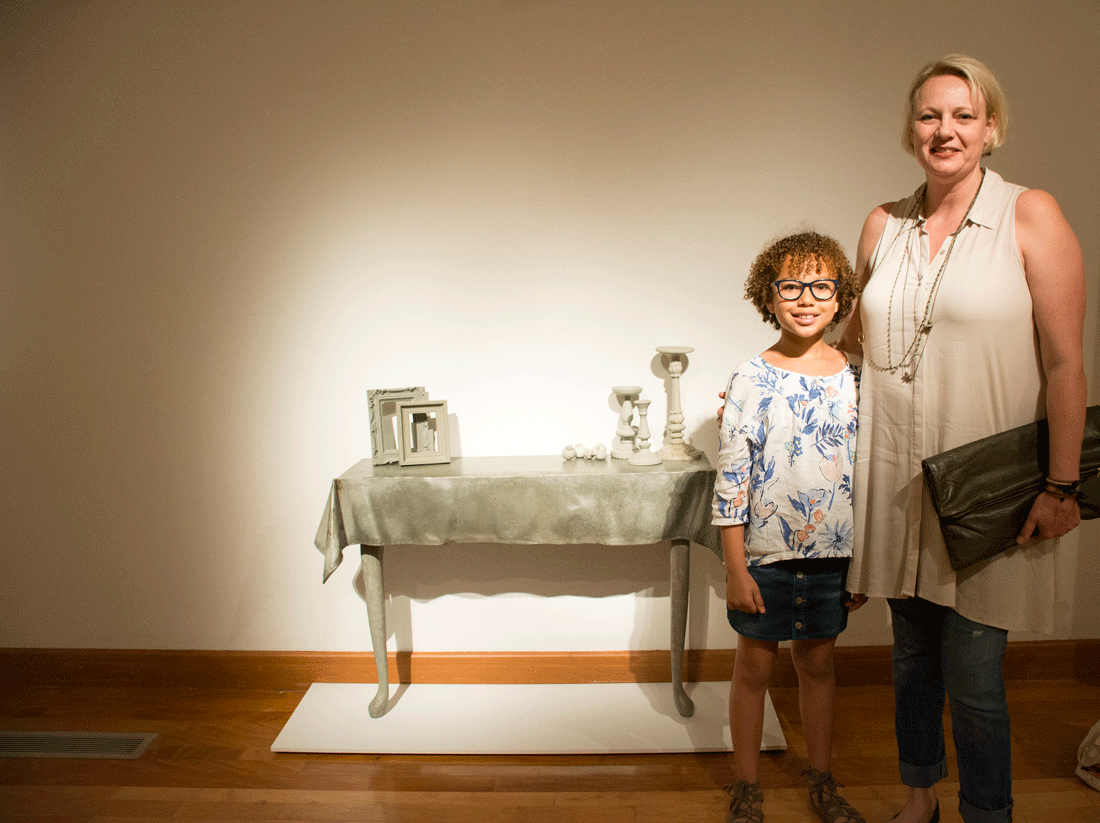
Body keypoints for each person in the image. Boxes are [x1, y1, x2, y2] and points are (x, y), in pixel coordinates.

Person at [837, 55, 1087, 823]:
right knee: (910, 658)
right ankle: (920, 797)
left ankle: (989, 811)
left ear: (992, 129)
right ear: (910, 129)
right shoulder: (884, 222)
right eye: (929, 115)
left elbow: (1066, 360)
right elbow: (850, 348)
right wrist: (777, 383)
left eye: (963, 115)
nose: (945, 130)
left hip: (990, 491)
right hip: (896, 482)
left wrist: (1062, 485)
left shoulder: (1030, 213)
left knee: (974, 673)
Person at [714, 232, 867, 823]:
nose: (807, 299)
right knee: (754, 667)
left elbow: (866, 472)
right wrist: (734, 569)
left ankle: (822, 780)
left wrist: (865, 559)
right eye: (791, 286)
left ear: (840, 297)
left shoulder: (856, 377)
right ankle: (747, 787)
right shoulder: (752, 377)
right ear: (768, 296)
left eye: (821, 285)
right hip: (764, 558)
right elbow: (733, 480)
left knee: (818, 664)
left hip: (834, 558)